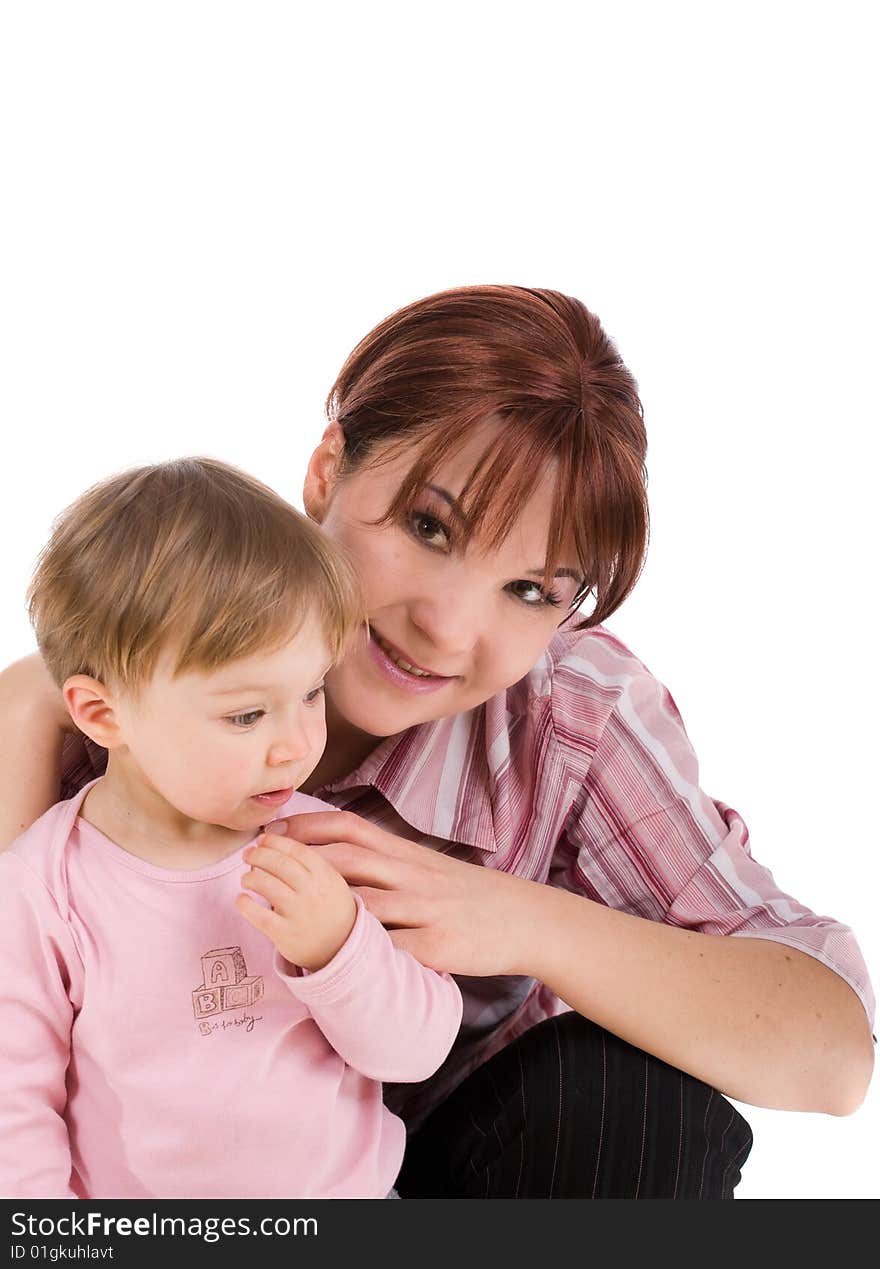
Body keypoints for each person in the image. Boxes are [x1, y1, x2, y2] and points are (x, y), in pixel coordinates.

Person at [1, 287, 874, 1200]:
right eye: (429, 527)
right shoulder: (127, 692)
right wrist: (20, 715)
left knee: (632, 1100)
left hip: (425, 1177)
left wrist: (514, 920)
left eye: (532, 589)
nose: (448, 632)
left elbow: (832, 1056)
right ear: (327, 468)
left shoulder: (569, 712)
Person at [0, 457, 462, 1199]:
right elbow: (13, 1111)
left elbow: (419, 1048)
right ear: (101, 713)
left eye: (310, 692)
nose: (294, 745)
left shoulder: (321, 845)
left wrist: (340, 947)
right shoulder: (44, 887)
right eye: (246, 714)